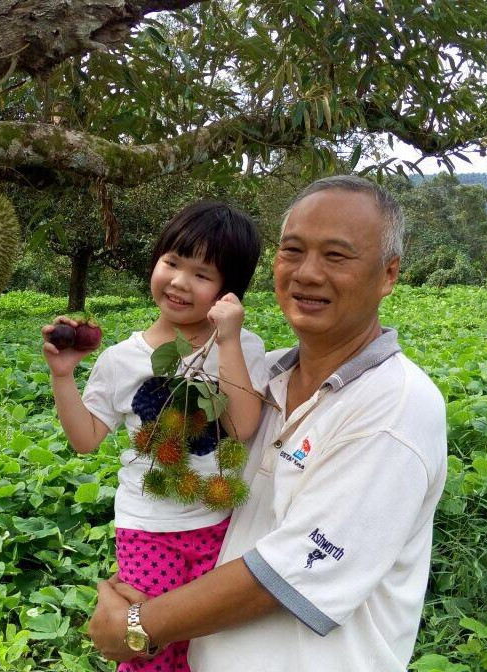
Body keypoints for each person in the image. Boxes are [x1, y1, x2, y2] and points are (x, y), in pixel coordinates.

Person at [88, 176, 448, 672]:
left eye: (337, 256)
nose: (307, 273)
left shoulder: (393, 410)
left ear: (388, 275)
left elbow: (290, 572)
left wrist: (138, 624)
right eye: (293, 250)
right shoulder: (253, 378)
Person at [42, 200, 270, 672]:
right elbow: (86, 439)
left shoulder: (242, 348)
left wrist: (228, 340)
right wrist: (63, 377)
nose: (180, 282)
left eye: (202, 274)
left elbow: (244, 426)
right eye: (172, 263)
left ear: (229, 292)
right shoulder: (121, 359)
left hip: (222, 526)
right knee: (148, 644)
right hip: (148, 529)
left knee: (210, 645)